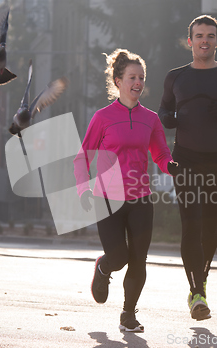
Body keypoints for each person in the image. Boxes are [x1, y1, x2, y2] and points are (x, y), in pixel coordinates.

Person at [74, 49, 179, 332]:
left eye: (141, 77)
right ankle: (103, 267)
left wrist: (173, 167)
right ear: (118, 81)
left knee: (139, 259)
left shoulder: (150, 119)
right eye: (132, 77)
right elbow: (83, 156)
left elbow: (161, 155)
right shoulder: (103, 117)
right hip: (107, 199)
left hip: (141, 197)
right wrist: (83, 189)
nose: (138, 82)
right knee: (119, 257)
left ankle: (128, 314)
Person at [158, 15, 217, 321]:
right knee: (191, 224)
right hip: (184, 159)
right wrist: (168, 119)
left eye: (210, 36)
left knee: (210, 229)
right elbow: (163, 108)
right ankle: (197, 292)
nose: (204, 41)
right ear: (190, 41)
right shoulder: (175, 77)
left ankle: (202, 279)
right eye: (199, 36)